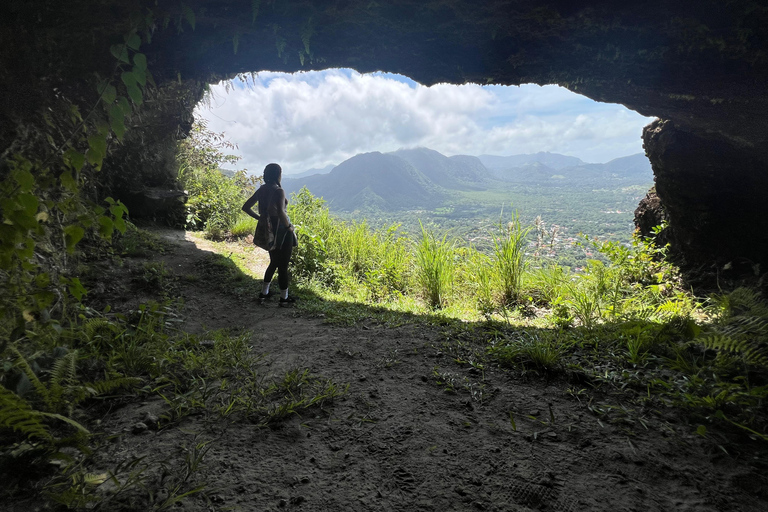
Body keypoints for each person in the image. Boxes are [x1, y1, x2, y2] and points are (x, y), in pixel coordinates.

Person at [242, 163, 297, 306]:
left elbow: (246, 207)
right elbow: (281, 212)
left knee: (273, 262)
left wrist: (260, 218)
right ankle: (284, 298)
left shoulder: (262, 190)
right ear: (278, 174)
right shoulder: (279, 191)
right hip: (281, 230)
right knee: (283, 265)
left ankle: (264, 293)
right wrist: (289, 227)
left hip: (268, 230)